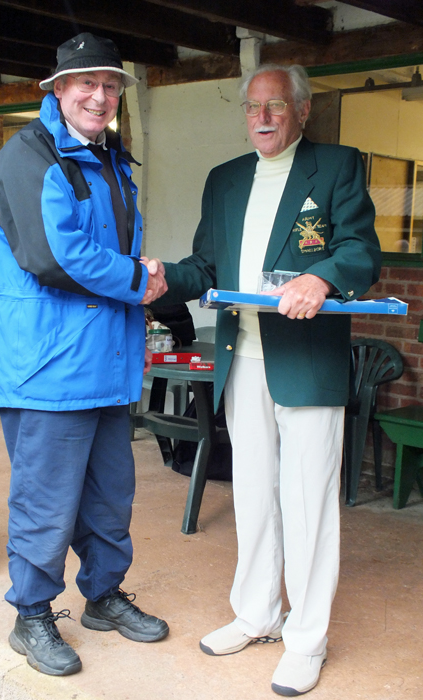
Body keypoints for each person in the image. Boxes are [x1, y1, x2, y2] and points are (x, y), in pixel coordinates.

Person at [149, 64, 381, 695]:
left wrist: (324, 276)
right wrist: (166, 276)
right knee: (253, 495)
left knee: (307, 504)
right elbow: (205, 264)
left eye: (277, 106)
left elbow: (362, 247)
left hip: (306, 360)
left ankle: (307, 639)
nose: (264, 117)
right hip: (241, 358)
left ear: (301, 111)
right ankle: (257, 614)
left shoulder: (334, 167)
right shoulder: (224, 180)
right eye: (254, 107)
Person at [0, 32, 169, 677]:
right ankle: (31, 616)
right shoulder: (26, 157)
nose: (99, 95)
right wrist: (138, 277)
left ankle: (103, 596)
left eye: (110, 85)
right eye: (85, 83)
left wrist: (138, 277)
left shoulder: (110, 159)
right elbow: (52, 256)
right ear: (58, 89)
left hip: (108, 365)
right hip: (49, 369)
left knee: (109, 498)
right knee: (45, 502)